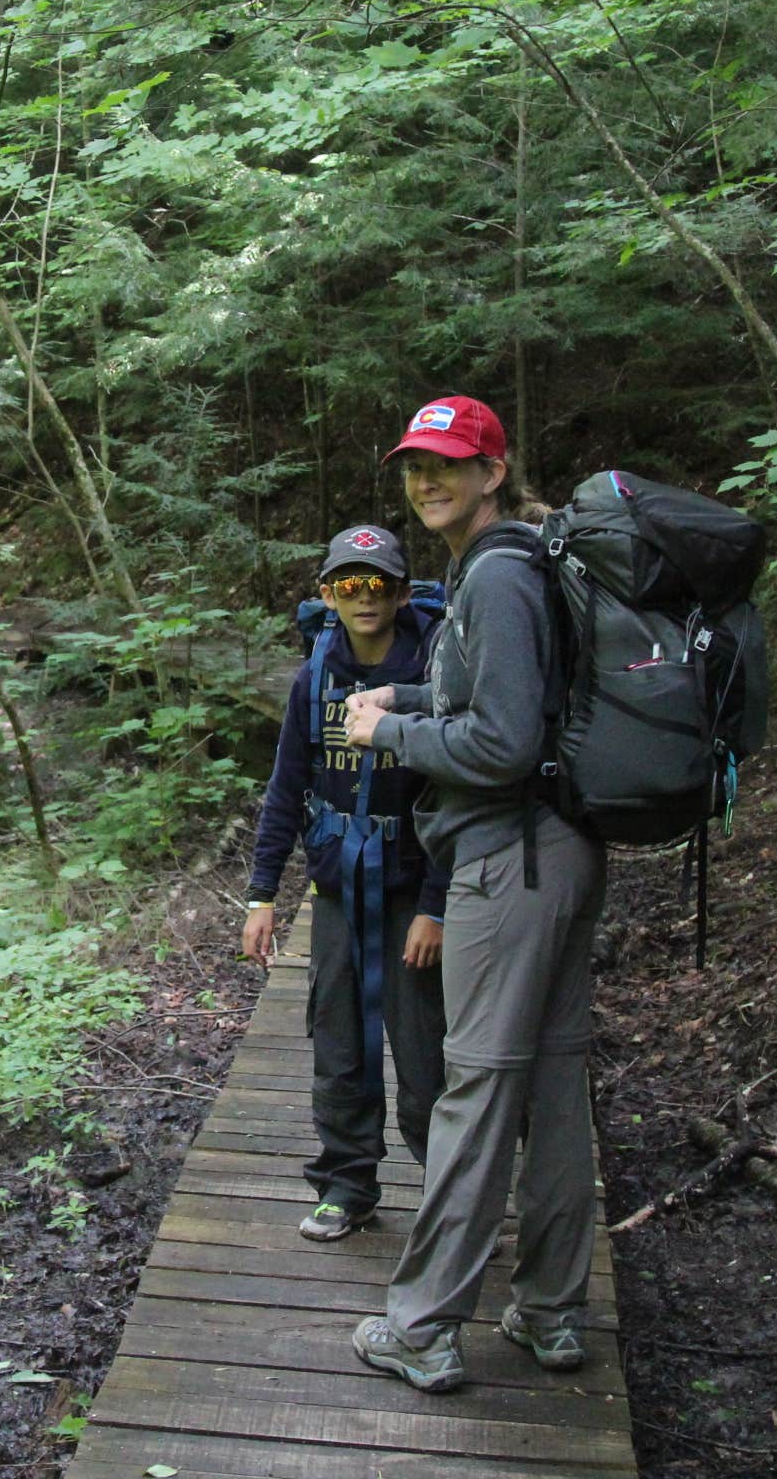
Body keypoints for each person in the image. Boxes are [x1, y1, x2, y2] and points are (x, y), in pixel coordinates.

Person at [343, 395, 608, 1390]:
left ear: (494, 472)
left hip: (511, 860)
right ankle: (549, 1311)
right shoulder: (521, 566)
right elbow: (506, 695)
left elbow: (500, 745)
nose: (428, 482)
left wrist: (387, 735)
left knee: (476, 1093)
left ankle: (423, 1326)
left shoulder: (497, 578)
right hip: (564, 852)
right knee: (551, 1087)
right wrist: (405, 696)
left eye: (449, 464)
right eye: (415, 466)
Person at [242, 525, 448, 1241]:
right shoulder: (316, 675)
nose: (366, 597)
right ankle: (347, 1185)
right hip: (336, 893)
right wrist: (262, 895)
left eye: (380, 584)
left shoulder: (434, 677)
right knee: (337, 1041)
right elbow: (286, 788)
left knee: (426, 1052)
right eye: (349, 585)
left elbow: (459, 798)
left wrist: (436, 907)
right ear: (328, 595)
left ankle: (450, 1194)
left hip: (410, 894)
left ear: (400, 590)